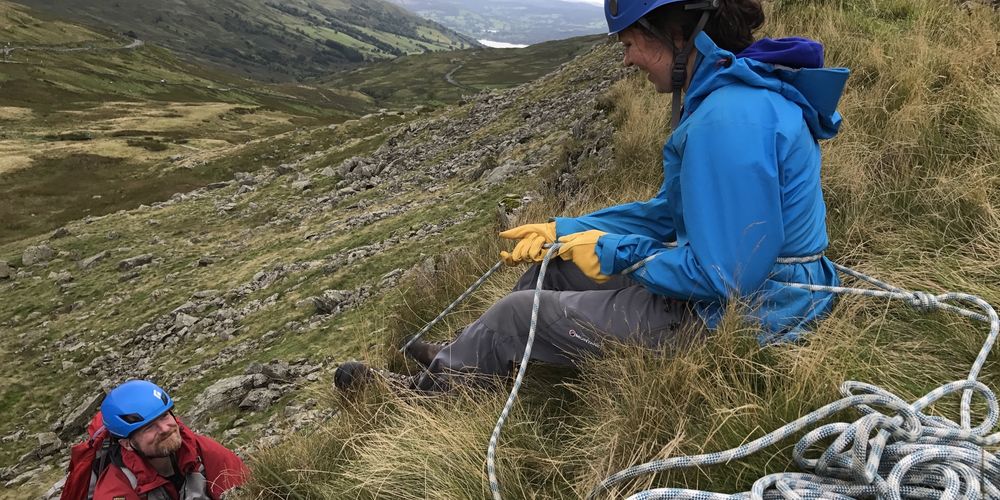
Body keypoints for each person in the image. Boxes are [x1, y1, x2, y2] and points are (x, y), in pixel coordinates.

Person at [335, 0, 848, 392]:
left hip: (751, 319)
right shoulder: (729, 99)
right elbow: (670, 215)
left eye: (630, 42)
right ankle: (469, 365)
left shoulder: (729, 119)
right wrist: (567, 231)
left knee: (520, 312)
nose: (626, 59)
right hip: (748, 293)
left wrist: (608, 251)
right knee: (554, 268)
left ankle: (430, 392)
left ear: (676, 32)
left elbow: (726, 276)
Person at [93, 380, 249, 499]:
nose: (165, 429)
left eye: (164, 416)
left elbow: (248, 491)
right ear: (127, 444)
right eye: (148, 427)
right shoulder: (115, 488)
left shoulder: (202, 451)